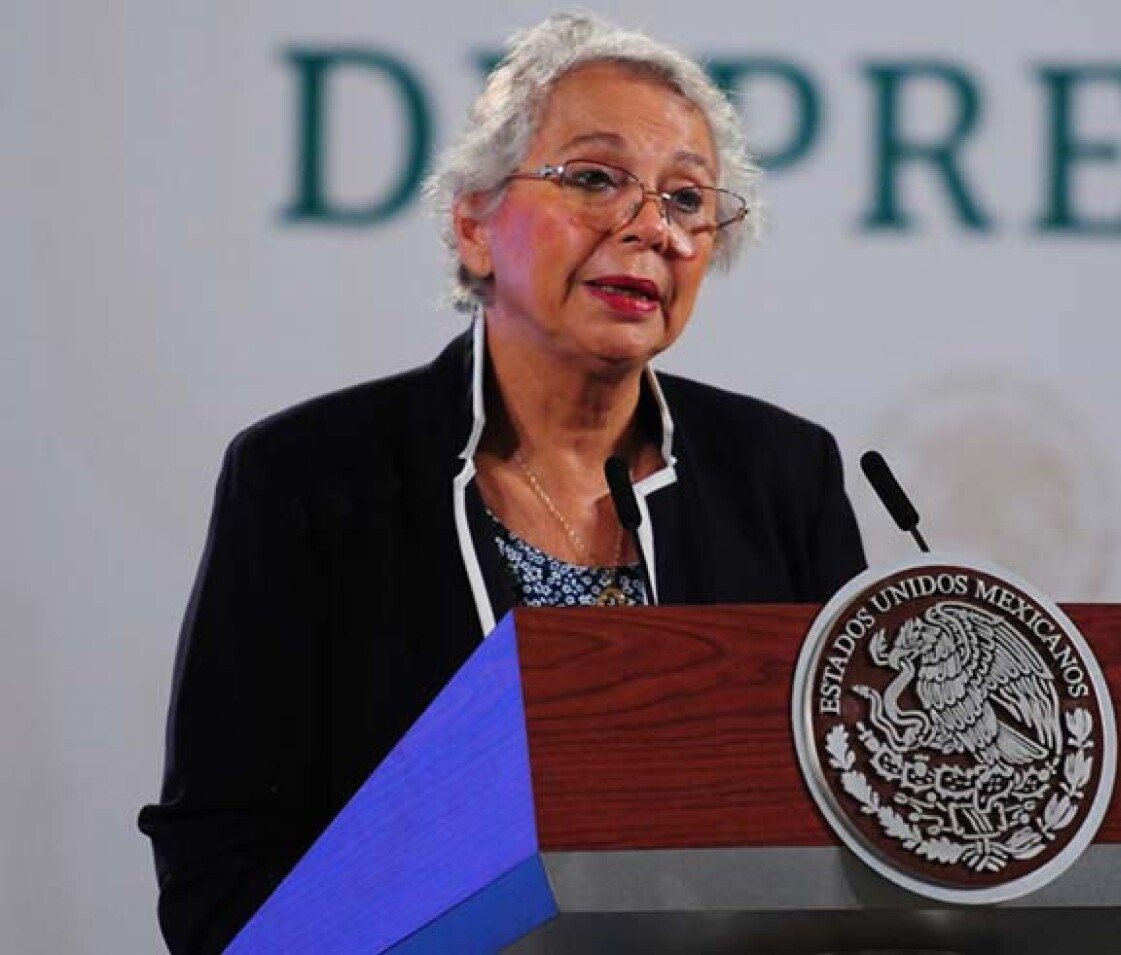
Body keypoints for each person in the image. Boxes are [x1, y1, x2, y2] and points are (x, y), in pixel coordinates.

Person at [136, 12, 866, 954]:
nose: (652, 227)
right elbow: (223, 855)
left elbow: (857, 816)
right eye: (596, 178)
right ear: (475, 222)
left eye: (688, 200)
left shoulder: (781, 473)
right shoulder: (310, 478)